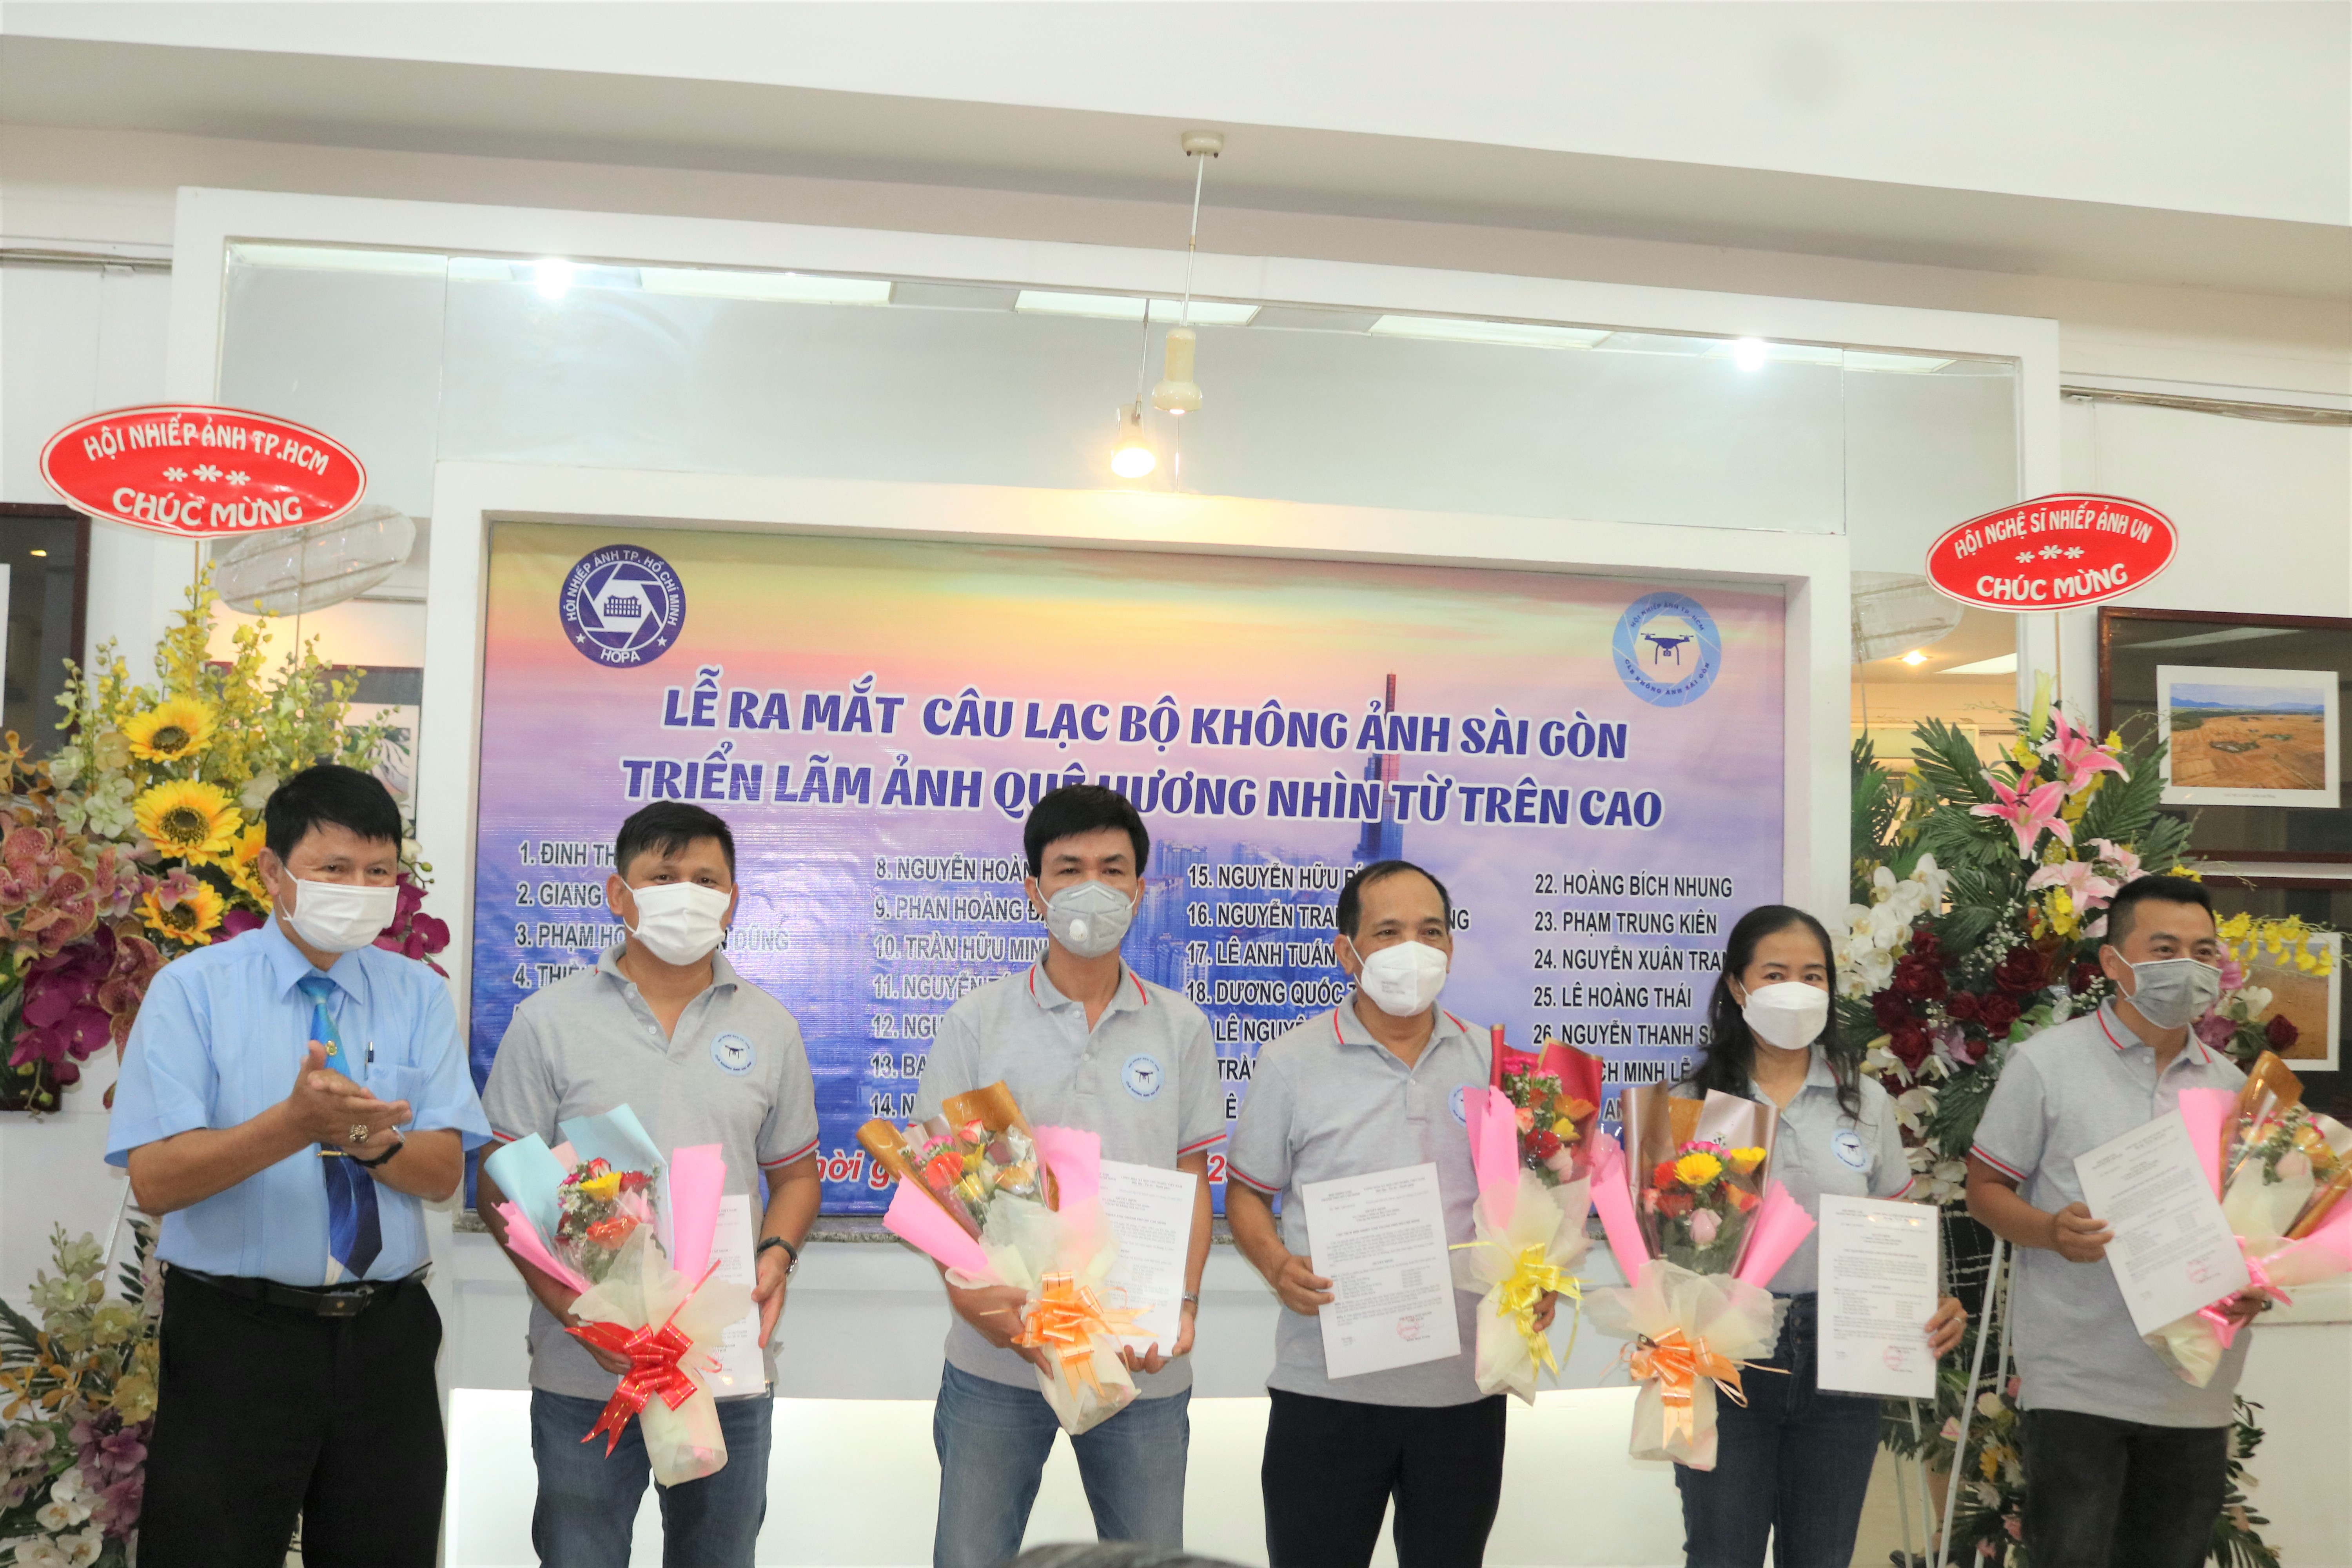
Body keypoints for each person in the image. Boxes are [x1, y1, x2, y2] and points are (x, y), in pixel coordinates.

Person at [107, 763, 491, 1567]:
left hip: (386, 1335)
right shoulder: (192, 991)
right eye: (334, 868)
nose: (360, 888)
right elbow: (156, 1180)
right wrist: (292, 1125)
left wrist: (370, 1141)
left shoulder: (418, 994)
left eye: (379, 872)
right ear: (273, 871)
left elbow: (442, 1173)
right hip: (236, 1338)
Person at [478, 801, 820, 1568]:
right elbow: (500, 1188)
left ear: (733, 899)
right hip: (586, 1372)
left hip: (723, 1367)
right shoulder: (548, 1020)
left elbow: (797, 1174)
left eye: (706, 879)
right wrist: (579, 1316)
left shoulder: (771, 1027)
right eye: (663, 877)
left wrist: (776, 1255)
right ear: (619, 893)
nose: (686, 894)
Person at [916, 784, 1221, 1568]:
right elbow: (941, 1187)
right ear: (1035, 889)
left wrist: (1182, 1304)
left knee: (1151, 1558)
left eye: (1113, 869)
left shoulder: (1182, 1027)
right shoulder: (977, 1021)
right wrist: (982, 1304)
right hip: (997, 1363)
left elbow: (1191, 1180)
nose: (1093, 886)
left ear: (1140, 889)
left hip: (1140, 1360)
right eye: (1070, 868)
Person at [1226, 859, 1552, 1568]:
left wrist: (1536, 1278)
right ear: (1348, 952)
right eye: (1389, 932)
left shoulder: (1496, 1064)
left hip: (1463, 1395)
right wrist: (1277, 1266)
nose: (1414, 950)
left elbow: (1532, 1201)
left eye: (1431, 932)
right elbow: (1247, 1193)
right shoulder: (1290, 1062)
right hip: (1326, 1390)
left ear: (1452, 947)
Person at [1967, 874, 2266, 1568]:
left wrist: (2256, 1278)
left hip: (2194, 1389)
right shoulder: (2047, 1064)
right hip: (2078, 1381)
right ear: (2113, 962)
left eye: (2202, 952)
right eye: (2165, 949)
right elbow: (1984, 1189)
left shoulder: (2231, 1089)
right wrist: (2050, 1230)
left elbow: (2250, 1225)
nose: (2187, 967)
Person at [1670, 904, 1966, 1568]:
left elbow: (1896, 1230)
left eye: (1813, 976)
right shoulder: (1694, 1102)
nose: (1796, 990)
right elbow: (1669, 1249)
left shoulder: (1864, 1100)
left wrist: (1933, 1301)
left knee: (1823, 1557)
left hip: (1845, 1359)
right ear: (1737, 986)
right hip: (1728, 1363)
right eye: (1775, 974)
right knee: (1722, 1555)